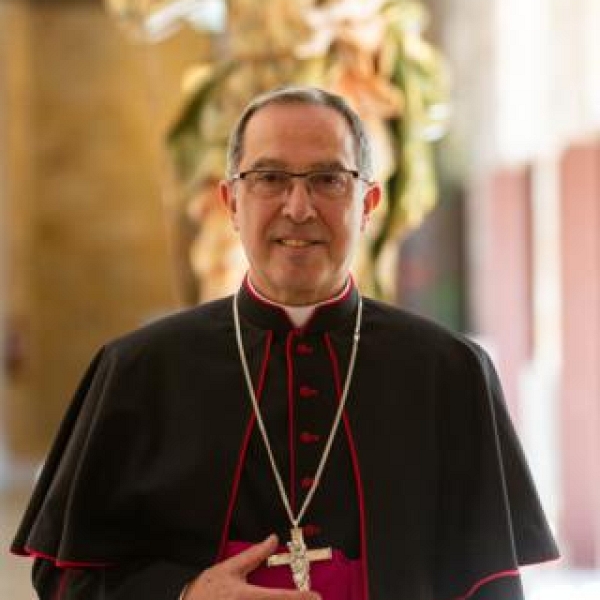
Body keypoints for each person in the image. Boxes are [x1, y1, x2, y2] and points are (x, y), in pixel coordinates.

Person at [11, 86, 558, 600]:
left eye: (328, 179)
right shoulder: (136, 369)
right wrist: (184, 594)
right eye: (270, 178)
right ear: (230, 201)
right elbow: (63, 578)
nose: (299, 207)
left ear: (368, 204)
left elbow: (491, 588)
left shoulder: (451, 372)